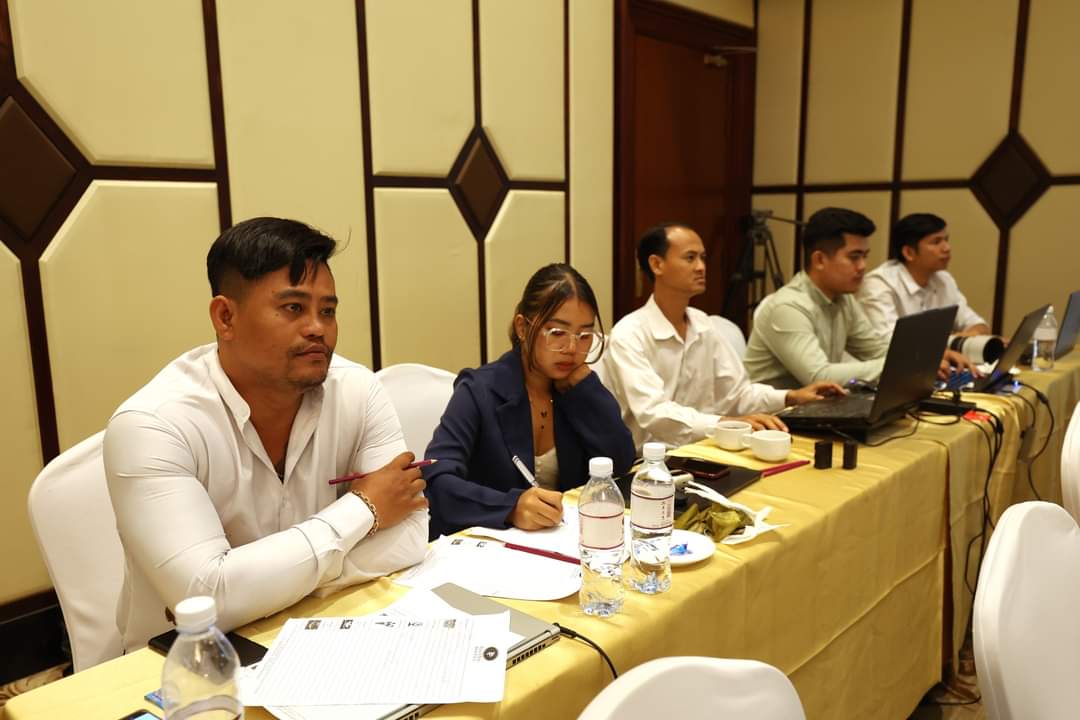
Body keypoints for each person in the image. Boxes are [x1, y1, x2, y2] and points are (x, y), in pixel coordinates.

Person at [104, 217, 428, 651]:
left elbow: (409, 536)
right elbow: (207, 602)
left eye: (328, 311)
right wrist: (364, 508)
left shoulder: (358, 390)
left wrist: (256, 589)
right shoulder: (152, 425)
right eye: (293, 308)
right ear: (226, 317)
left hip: (324, 634)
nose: (317, 328)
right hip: (184, 662)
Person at [423, 264, 634, 538]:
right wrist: (510, 507)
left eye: (584, 336)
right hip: (490, 545)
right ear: (523, 327)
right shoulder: (479, 390)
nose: (572, 348)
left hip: (564, 540)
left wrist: (587, 390)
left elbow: (621, 461)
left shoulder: (576, 390)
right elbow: (437, 481)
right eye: (557, 333)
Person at [599, 223, 844, 449]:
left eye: (703, 257)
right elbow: (654, 413)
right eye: (690, 258)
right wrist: (725, 423)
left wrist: (792, 396)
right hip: (650, 462)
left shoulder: (703, 324)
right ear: (656, 264)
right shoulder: (629, 334)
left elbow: (737, 394)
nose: (701, 267)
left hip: (708, 449)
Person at [745, 207, 972, 389]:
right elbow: (819, 376)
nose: (863, 266)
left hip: (816, 412)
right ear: (819, 260)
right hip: (771, 423)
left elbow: (877, 350)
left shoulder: (844, 300)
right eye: (854, 257)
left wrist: (926, 358)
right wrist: (909, 365)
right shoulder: (788, 306)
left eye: (865, 256)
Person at [858, 213, 991, 339]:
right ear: (909, 253)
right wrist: (953, 343)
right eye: (936, 242)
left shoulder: (943, 279)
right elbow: (889, 343)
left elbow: (976, 323)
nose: (947, 248)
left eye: (946, 240)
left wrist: (972, 334)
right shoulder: (879, 284)